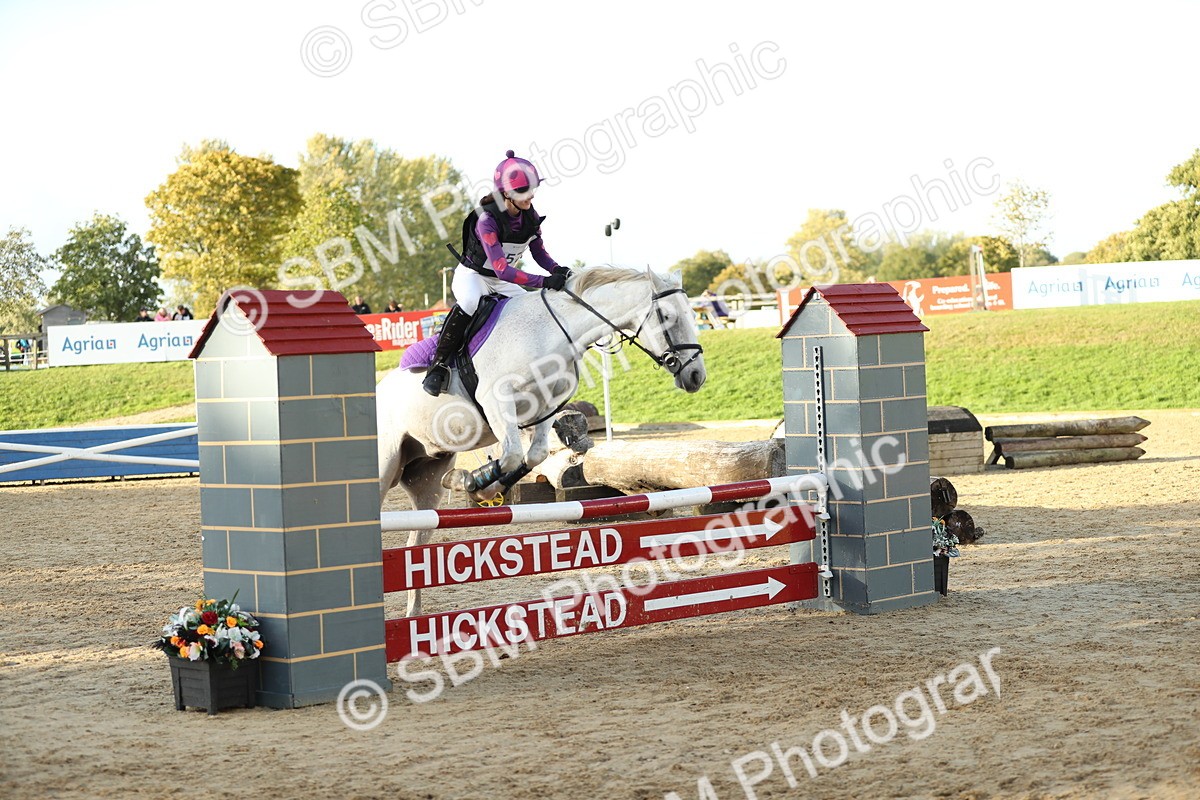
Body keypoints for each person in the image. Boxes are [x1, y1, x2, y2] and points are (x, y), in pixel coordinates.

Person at [422, 149, 571, 396]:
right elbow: (502, 270)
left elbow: (539, 254)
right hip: (473, 277)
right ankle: (438, 366)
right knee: (470, 302)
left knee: (530, 308)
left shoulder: (530, 217)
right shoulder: (487, 221)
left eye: (531, 189)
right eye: (523, 191)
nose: (530, 196)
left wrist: (557, 269)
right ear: (506, 194)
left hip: (501, 281)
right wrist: (544, 281)